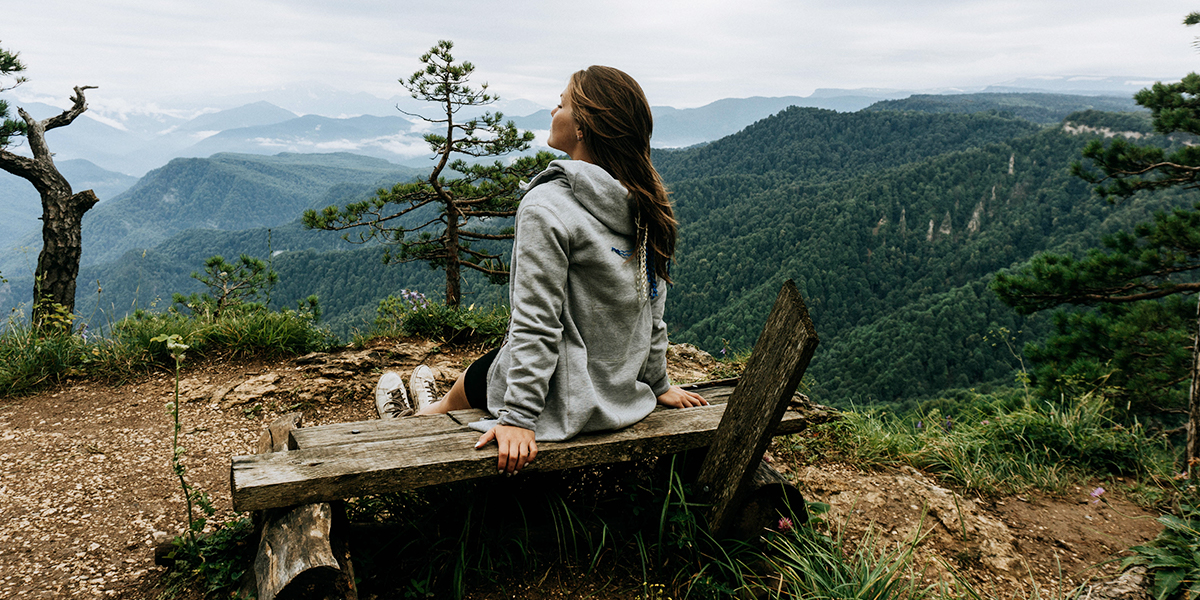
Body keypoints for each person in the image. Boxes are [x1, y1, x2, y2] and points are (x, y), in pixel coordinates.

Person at [376, 65, 706, 476]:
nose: (553, 111)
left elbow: (536, 321)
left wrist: (518, 417)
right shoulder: (646, 205)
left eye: (561, 103)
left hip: (565, 401)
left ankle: (413, 420)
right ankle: (429, 406)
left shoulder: (547, 205)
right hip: (619, 393)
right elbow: (651, 310)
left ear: (582, 127)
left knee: (475, 381)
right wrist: (657, 384)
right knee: (485, 367)